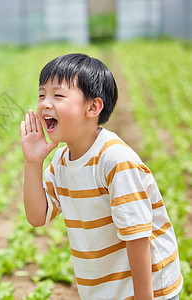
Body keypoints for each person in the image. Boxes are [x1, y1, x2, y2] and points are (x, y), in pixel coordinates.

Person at [20, 53, 182, 300]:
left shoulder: (115, 160)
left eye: (58, 95)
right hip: (103, 289)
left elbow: (137, 236)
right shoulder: (62, 161)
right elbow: (37, 216)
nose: (45, 104)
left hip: (148, 290)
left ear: (93, 107)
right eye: (42, 95)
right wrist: (33, 162)